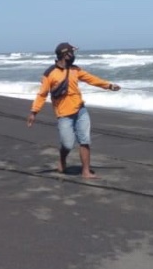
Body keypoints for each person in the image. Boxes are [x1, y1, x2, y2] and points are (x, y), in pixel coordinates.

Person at [26, 42, 120, 179]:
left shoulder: (75, 70)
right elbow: (42, 94)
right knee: (67, 144)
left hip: (80, 111)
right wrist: (34, 112)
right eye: (72, 52)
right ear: (65, 54)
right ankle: (62, 159)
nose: (73, 55)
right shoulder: (49, 74)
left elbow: (92, 79)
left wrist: (109, 86)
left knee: (85, 140)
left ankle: (86, 171)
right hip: (64, 114)